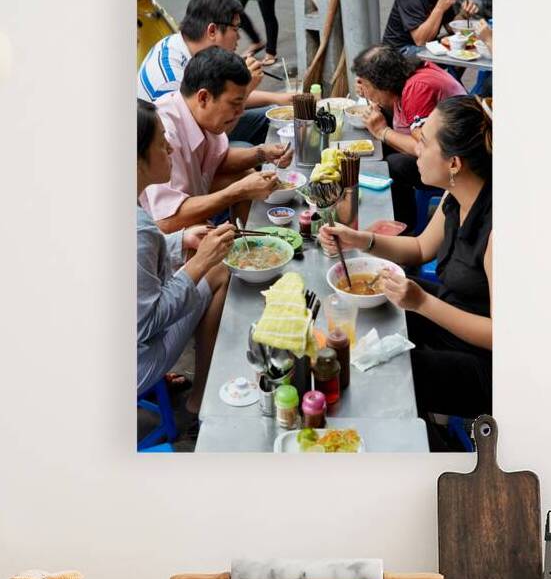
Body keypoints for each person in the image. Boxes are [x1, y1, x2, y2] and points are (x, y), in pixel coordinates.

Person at [319, 96, 492, 451]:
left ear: (454, 163)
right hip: (451, 319)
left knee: (389, 373)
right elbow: (418, 249)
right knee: (369, 315)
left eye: (424, 142)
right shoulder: (455, 195)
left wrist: (421, 302)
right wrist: (359, 240)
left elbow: (503, 336)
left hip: (489, 365)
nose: (415, 149)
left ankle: (433, 454)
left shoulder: (498, 232)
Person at [137, 99, 235, 437]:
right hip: (135, 361)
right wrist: (203, 261)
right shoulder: (137, 228)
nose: (170, 148)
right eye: (161, 144)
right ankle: (199, 401)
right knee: (219, 272)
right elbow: (146, 324)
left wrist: (182, 240)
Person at [140, 46, 292, 233]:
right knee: (206, 235)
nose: (240, 112)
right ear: (203, 97)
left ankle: (244, 240)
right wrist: (237, 192)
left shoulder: (200, 116)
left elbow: (217, 161)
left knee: (248, 176)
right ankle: (238, 254)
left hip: (181, 205)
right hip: (156, 231)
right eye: (235, 104)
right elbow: (167, 220)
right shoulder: (166, 134)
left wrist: (262, 153)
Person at [137, 0, 294, 146]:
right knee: (244, 148)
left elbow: (222, 96)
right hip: (178, 152)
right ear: (212, 31)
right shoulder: (170, 81)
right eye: (236, 29)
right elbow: (201, 142)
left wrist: (276, 98)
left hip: (198, 134)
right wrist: (246, 88)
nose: (239, 38)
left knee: (270, 117)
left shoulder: (185, 46)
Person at [353, 44, 466, 231]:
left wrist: (382, 132)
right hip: (440, 149)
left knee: (394, 164)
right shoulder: (404, 76)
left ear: (383, 84)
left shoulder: (417, 89)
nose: (363, 89)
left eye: (365, 84)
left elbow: (421, 147)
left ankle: (405, 229)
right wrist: (370, 91)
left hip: (457, 164)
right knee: (380, 148)